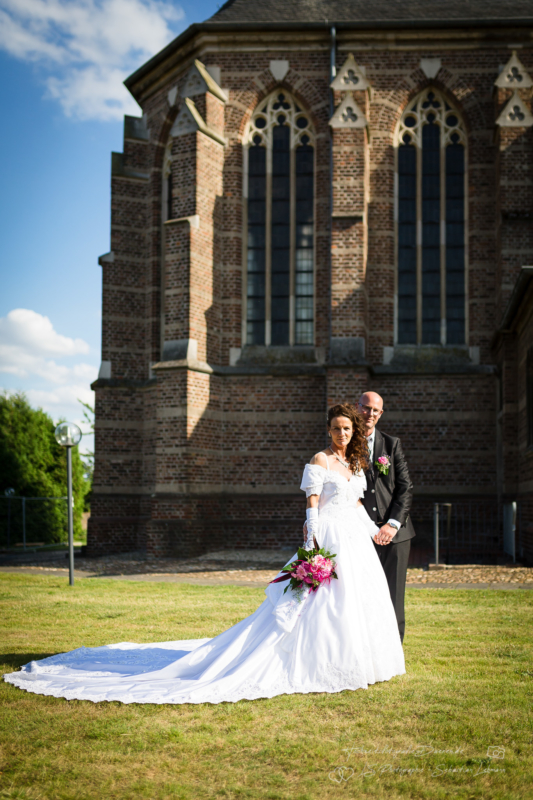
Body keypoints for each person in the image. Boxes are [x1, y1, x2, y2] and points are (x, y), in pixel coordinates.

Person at [4, 404, 405, 705]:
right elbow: (313, 500)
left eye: (347, 428)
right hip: (329, 536)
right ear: (329, 429)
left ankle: (359, 661)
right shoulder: (319, 460)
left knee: (358, 600)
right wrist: (313, 531)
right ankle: (314, 661)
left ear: (355, 431)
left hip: (355, 537)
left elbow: (355, 504)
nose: (341, 433)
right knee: (319, 603)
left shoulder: (355, 463)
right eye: (336, 428)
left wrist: (376, 531)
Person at [356, 392, 415, 643]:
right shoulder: (343, 445)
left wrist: (392, 524)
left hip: (396, 536)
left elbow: (405, 488)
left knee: (393, 596)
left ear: (381, 414)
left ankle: (394, 652)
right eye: (365, 408)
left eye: (375, 410)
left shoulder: (392, 445)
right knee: (361, 595)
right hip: (358, 533)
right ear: (357, 408)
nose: (369, 414)